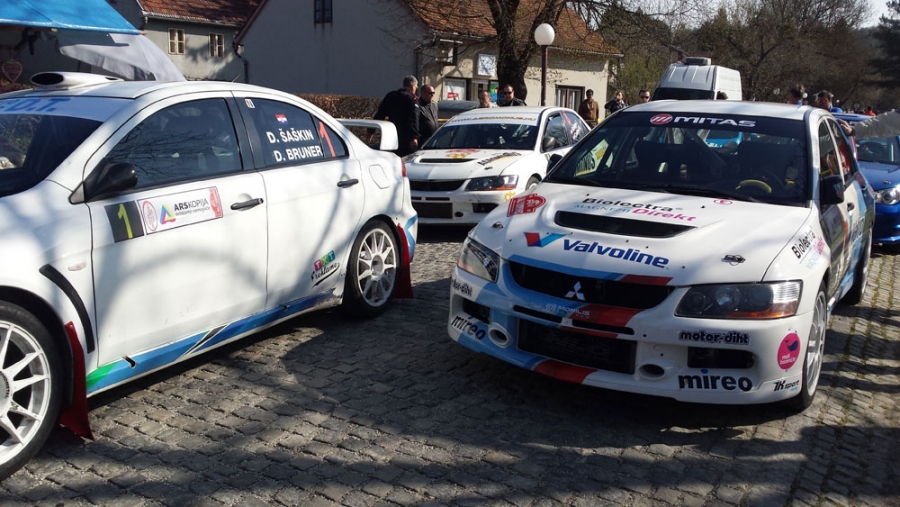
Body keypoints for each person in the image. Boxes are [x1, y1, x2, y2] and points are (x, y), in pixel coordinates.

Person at [371, 75, 421, 156]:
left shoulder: (390, 96)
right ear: (412, 86)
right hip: (406, 137)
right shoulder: (411, 99)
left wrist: (371, 130)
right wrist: (414, 137)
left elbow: (380, 114)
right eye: (416, 87)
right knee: (405, 159)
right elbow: (414, 119)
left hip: (391, 135)